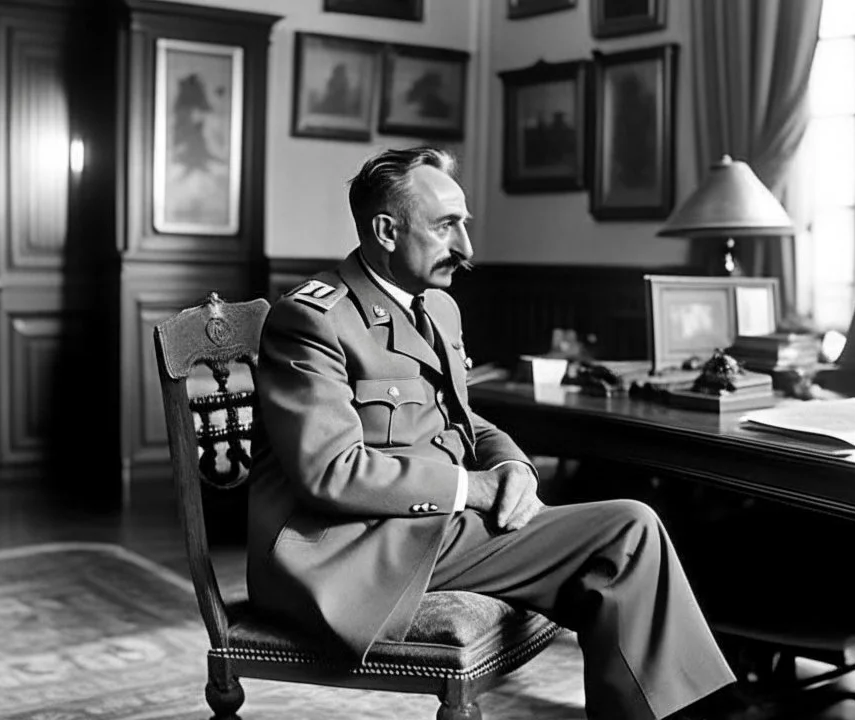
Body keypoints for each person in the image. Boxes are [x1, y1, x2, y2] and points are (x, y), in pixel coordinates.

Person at [247, 146, 742, 719]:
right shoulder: (313, 319)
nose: (467, 249)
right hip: (353, 549)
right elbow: (332, 472)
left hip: (432, 529)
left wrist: (511, 468)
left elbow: (464, 417)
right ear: (385, 230)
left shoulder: (437, 307)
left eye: (465, 224)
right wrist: (473, 488)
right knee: (627, 530)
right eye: (446, 227)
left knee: (617, 560)